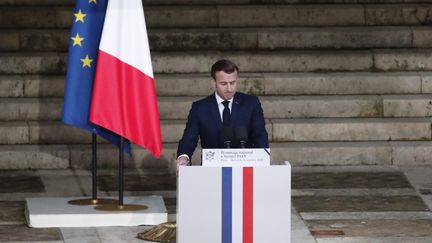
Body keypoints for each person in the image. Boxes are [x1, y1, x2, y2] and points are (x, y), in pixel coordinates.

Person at [175, 59, 269, 171]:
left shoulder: (251, 104)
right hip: (211, 171)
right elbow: (189, 137)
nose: (229, 88)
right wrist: (183, 157)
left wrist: (263, 161)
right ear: (213, 82)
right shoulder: (200, 108)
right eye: (223, 83)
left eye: (233, 83)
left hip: (245, 171)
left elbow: (260, 135)